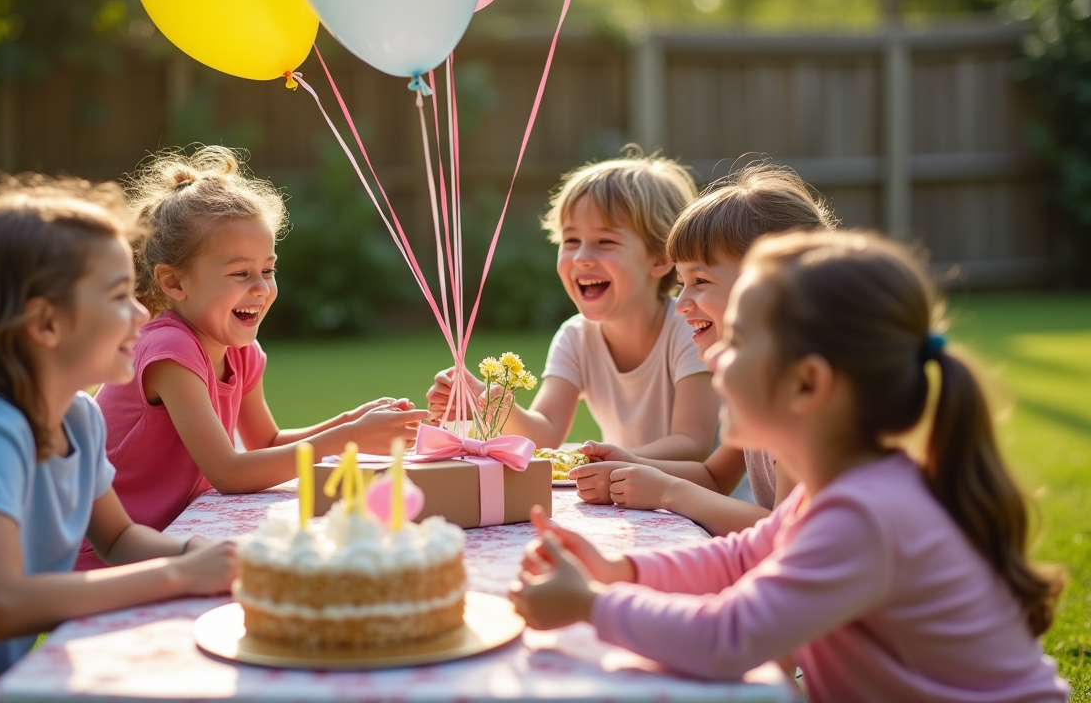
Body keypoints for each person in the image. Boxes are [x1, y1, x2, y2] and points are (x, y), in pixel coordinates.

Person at [510, 230, 1070, 703]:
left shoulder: (863, 516)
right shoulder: (837, 492)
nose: (716, 357)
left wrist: (590, 604)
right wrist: (618, 571)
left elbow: (729, 640)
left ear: (807, 383)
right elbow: (741, 558)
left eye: (740, 342)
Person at [0, 177, 236, 703]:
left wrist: (203, 553)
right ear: (45, 322)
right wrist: (181, 575)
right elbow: (3, 603)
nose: (142, 314)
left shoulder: (78, 417)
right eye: (119, 295)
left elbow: (118, 539)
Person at [82, 146, 426, 567]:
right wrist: (347, 439)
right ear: (173, 282)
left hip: (186, 537)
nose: (261, 288)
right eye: (240, 273)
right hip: (121, 552)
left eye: (268, 269)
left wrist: (349, 421)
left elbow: (265, 444)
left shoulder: (240, 352)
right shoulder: (169, 351)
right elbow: (229, 472)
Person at [572, 162, 835, 535]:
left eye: (700, 280)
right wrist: (630, 465)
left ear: (766, 286)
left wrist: (668, 492)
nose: (681, 303)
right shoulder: (760, 383)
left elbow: (786, 532)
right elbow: (713, 476)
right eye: (681, 282)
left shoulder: (804, 400)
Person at [427, 146, 716, 459]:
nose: (581, 258)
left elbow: (692, 444)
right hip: (637, 493)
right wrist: (490, 403)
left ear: (660, 259)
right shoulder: (575, 337)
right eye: (571, 241)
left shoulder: (688, 329)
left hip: (713, 501)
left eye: (605, 242)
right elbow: (546, 432)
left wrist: (614, 460)